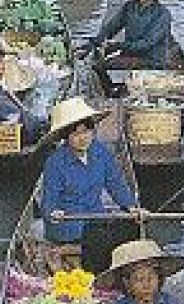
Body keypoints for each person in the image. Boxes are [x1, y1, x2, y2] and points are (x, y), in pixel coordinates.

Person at [40, 97, 139, 272]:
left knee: (131, 229)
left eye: (86, 131)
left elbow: (116, 184)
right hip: (68, 223)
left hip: (95, 216)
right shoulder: (54, 163)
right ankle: (66, 250)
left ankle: (77, 252)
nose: (83, 138)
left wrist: (131, 207)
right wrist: (53, 213)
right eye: (76, 134)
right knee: (99, 241)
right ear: (66, 137)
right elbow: (48, 201)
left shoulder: (100, 152)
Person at [84, 0, 175, 90]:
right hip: (130, 53)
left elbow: (147, 43)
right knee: (97, 64)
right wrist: (93, 43)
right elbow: (111, 28)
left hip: (151, 60)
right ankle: (115, 90)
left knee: (101, 65)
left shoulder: (163, 14)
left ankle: (121, 89)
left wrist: (117, 45)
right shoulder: (130, 7)